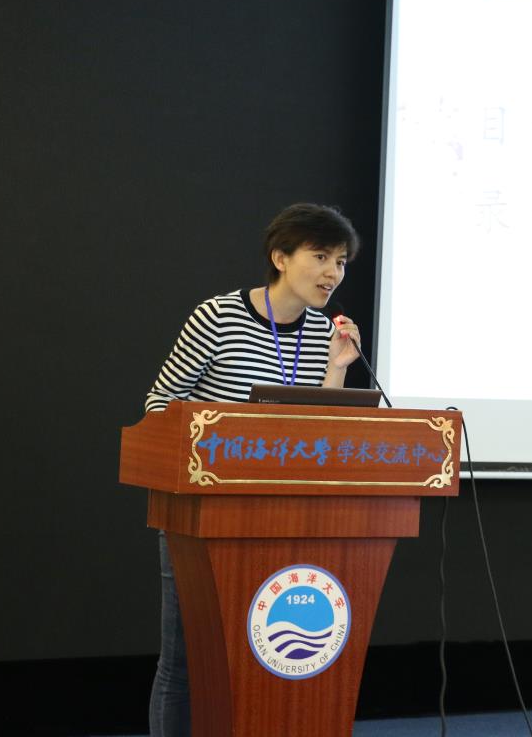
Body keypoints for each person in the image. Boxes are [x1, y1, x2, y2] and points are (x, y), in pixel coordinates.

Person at [145, 203, 363, 737]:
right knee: (185, 659)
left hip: (283, 516)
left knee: (257, 656)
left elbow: (316, 436)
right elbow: (159, 405)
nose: (333, 272)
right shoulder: (217, 317)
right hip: (200, 513)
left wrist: (337, 369)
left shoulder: (324, 332)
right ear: (280, 258)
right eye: (320, 256)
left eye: (340, 261)